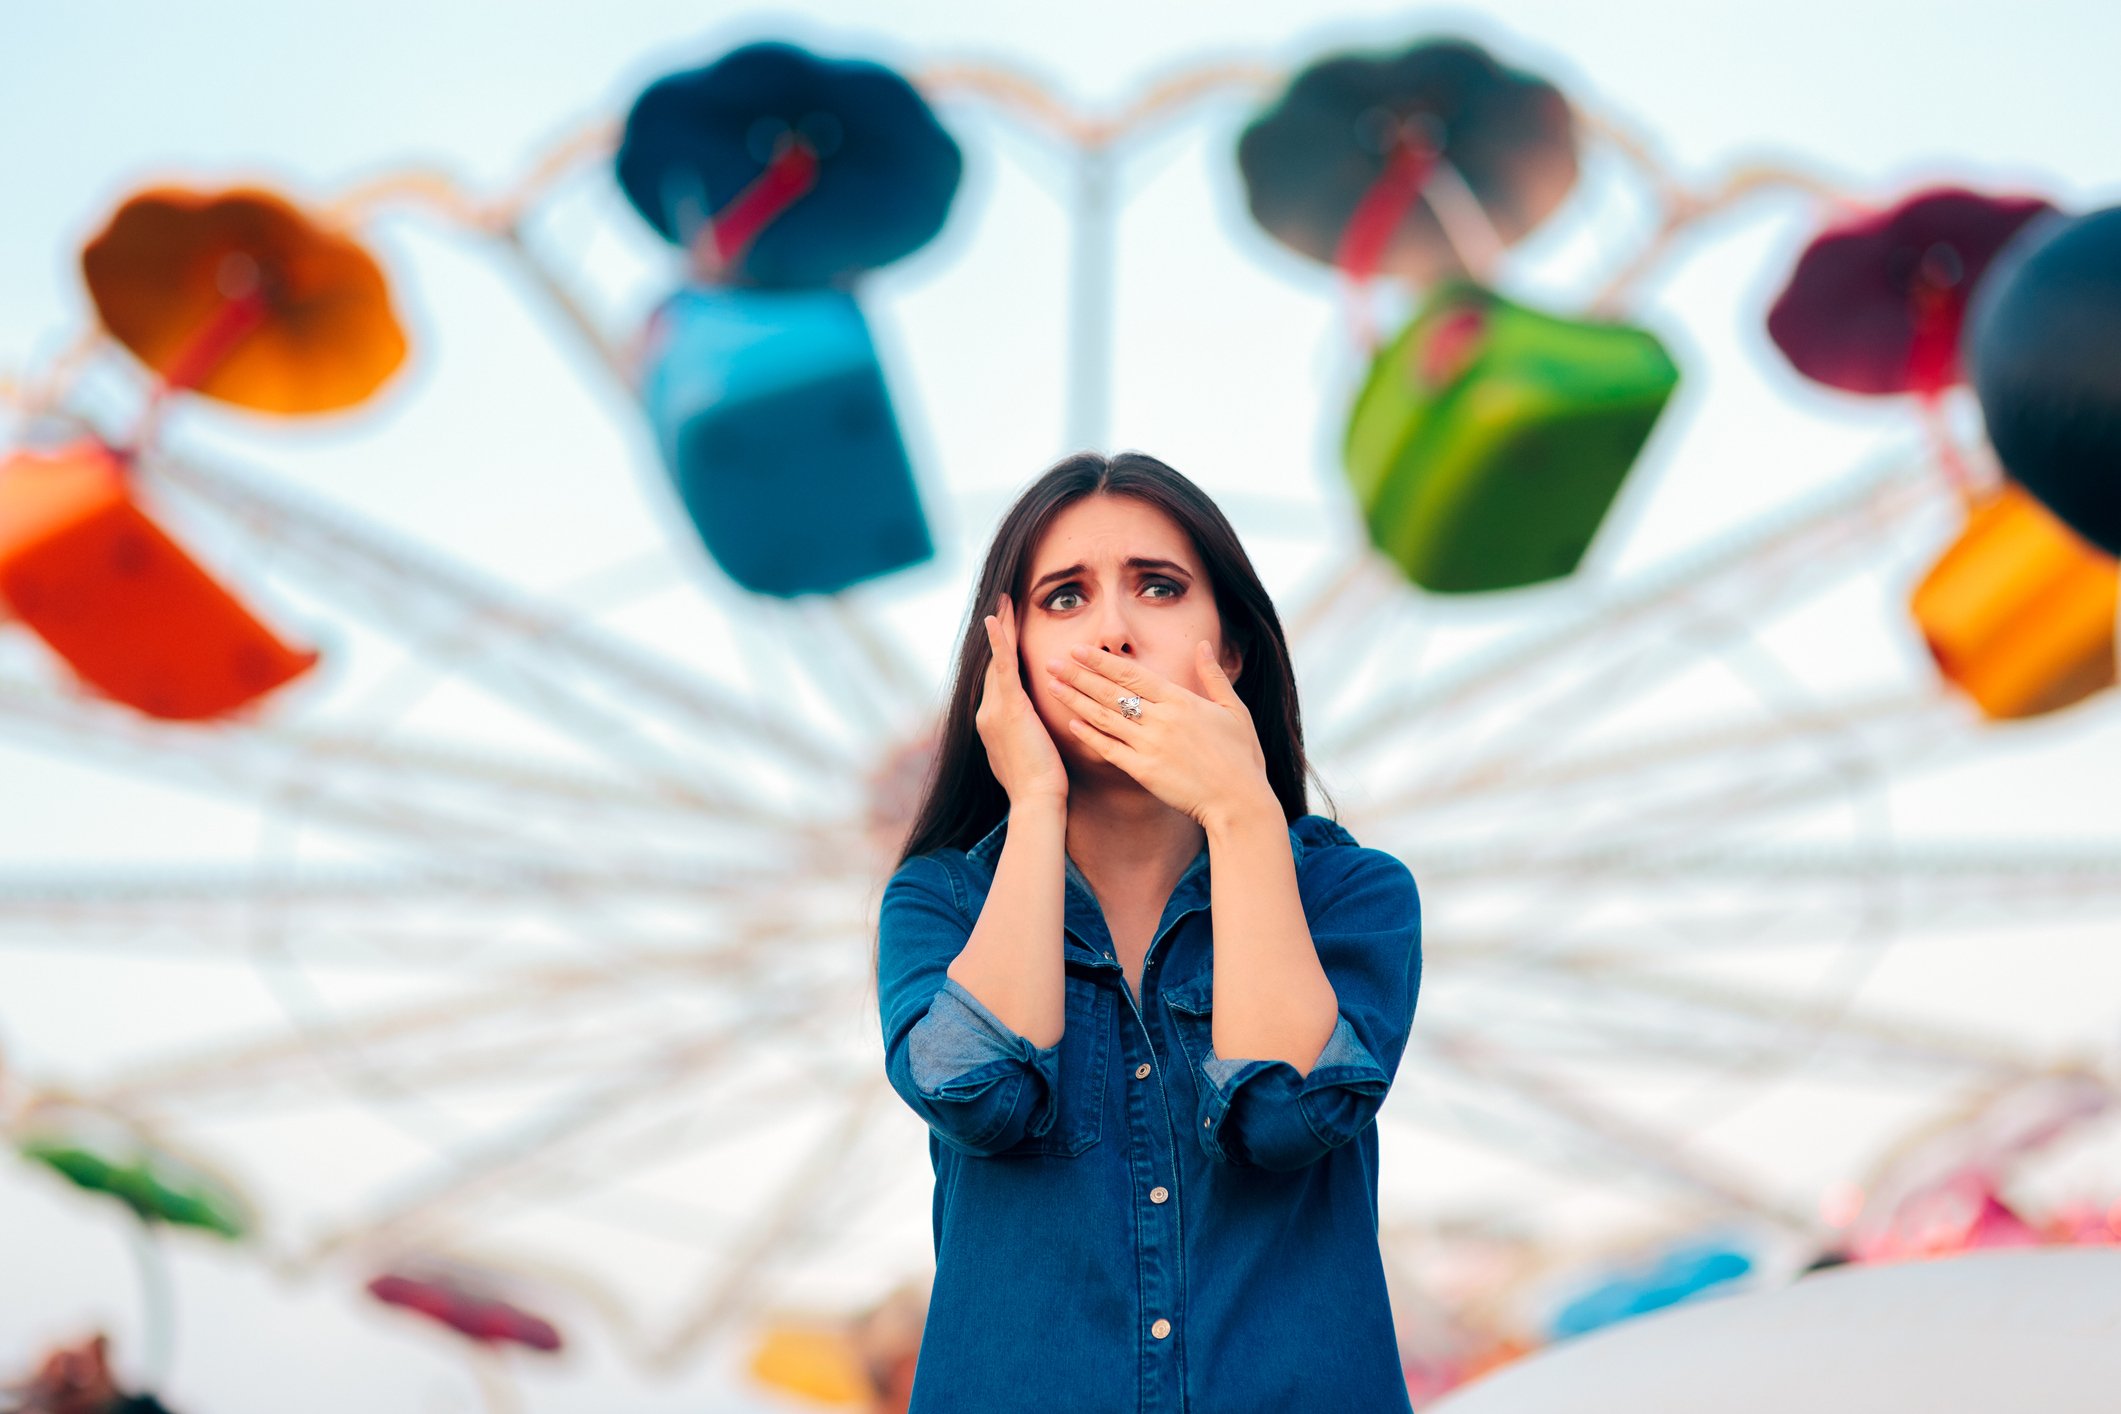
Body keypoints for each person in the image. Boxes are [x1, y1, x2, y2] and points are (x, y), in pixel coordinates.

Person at [873, 449, 1424, 1413]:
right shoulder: (940, 904)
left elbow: (1287, 1113)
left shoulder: (1351, 896)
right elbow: (977, 1093)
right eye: (1064, 599)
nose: (1114, 635)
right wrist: (1033, 801)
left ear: (1234, 648)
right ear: (1004, 655)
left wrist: (1242, 812)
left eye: (1159, 589)